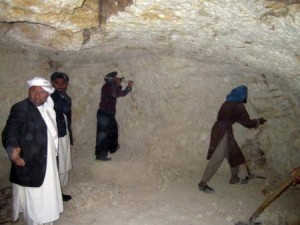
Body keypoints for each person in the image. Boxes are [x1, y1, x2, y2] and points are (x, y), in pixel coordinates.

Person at [2, 76, 63, 225]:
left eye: (41, 92)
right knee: (35, 196)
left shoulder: (48, 107)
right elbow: (10, 131)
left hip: (47, 159)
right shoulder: (21, 108)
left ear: (48, 94)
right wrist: (12, 149)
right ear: (29, 91)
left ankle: (47, 220)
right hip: (31, 161)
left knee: (48, 192)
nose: (36, 95)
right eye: (33, 91)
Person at [198, 85, 267, 193]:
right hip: (223, 131)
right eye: (245, 95)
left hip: (221, 130)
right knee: (218, 156)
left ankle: (234, 177)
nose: (246, 97)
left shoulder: (227, 103)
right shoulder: (238, 106)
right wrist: (258, 121)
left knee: (234, 153)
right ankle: (203, 183)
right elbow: (246, 123)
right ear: (241, 95)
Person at [95, 71, 133, 161]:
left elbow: (120, 93)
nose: (117, 79)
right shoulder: (108, 86)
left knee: (112, 130)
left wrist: (128, 87)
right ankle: (101, 155)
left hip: (107, 114)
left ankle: (113, 148)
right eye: (116, 78)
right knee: (103, 134)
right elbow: (117, 94)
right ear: (112, 79)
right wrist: (120, 84)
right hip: (105, 114)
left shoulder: (108, 86)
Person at [50, 72, 73, 202]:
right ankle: (56, 192)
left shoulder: (63, 95)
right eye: (57, 83)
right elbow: (62, 107)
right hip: (56, 135)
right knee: (58, 163)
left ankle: (59, 189)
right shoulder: (51, 97)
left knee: (63, 161)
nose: (60, 85)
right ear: (52, 84)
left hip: (63, 133)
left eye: (63, 83)